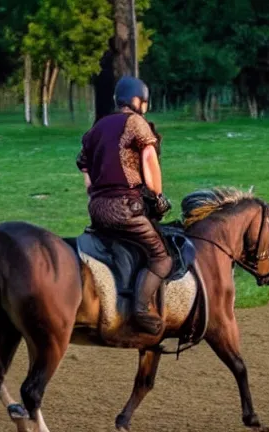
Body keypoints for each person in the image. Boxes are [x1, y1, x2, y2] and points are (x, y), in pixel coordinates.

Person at [76, 76, 172, 335]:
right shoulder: (136, 123)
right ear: (137, 100)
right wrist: (158, 196)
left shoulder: (98, 126)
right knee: (161, 257)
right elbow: (149, 156)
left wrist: (94, 192)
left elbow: (83, 165)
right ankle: (140, 311)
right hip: (125, 209)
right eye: (144, 102)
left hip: (97, 210)